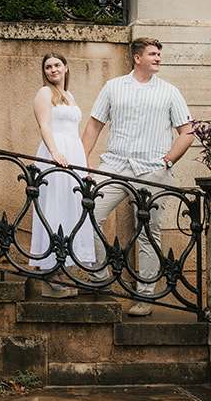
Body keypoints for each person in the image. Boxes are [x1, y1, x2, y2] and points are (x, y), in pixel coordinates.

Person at [81, 39, 194, 316]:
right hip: (114, 166)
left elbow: (187, 132)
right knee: (89, 213)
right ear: (137, 58)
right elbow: (94, 124)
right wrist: (81, 164)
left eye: (159, 54)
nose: (158, 58)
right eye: (153, 54)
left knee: (147, 233)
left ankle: (145, 296)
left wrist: (167, 161)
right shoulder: (113, 87)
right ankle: (98, 279)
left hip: (152, 171)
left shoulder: (170, 92)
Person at [29, 52, 95, 297]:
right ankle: (50, 270)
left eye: (57, 65)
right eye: (47, 66)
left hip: (74, 153)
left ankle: (63, 266)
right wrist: (54, 152)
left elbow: (75, 133)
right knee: (54, 208)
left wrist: (85, 167)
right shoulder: (44, 93)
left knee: (71, 209)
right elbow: (44, 125)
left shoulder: (69, 95)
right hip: (55, 153)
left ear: (66, 68)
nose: (52, 70)